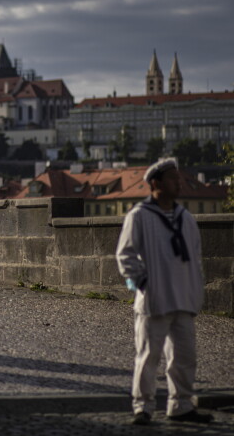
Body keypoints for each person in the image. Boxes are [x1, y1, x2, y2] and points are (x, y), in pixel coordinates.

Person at [116, 159, 214, 426]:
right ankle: (143, 407)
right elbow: (124, 255)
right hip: (155, 299)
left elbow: (195, 257)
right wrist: (143, 282)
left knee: (184, 357)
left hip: (183, 298)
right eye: (173, 179)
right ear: (156, 183)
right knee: (148, 356)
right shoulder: (139, 216)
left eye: (179, 179)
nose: (178, 183)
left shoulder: (186, 218)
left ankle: (181, 405)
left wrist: (196, 291)